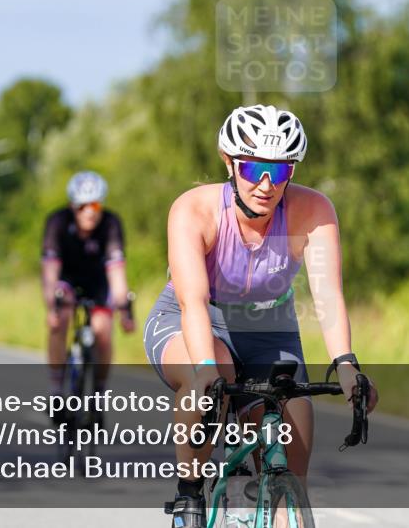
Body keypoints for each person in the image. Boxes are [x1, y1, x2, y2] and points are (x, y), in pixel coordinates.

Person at [143, 104, 379, 527]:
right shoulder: (194, 210)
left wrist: (346, 365)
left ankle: (270, 502)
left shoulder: (313, 209)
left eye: (281, 170)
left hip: (270, 328)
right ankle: (189, 496)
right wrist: (204, 370)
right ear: (230, 163)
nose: (267, 185)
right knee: (214, 377)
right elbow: (193, 301)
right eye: (254, 170)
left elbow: (327, 294)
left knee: (291, 450)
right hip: (194, 321)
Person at [41, 171, 133, 418]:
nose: (90, 212)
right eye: (83, 206)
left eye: (95, 204)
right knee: (59, 319)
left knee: (103, 331)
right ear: (73, 206)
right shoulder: (57, 223)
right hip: (66, 279)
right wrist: (51, 307)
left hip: (98, 282)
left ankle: (98, 395)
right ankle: (56, 391)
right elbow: (50, 273)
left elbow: (117, 274)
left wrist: (125, 311)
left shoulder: (111, 224)